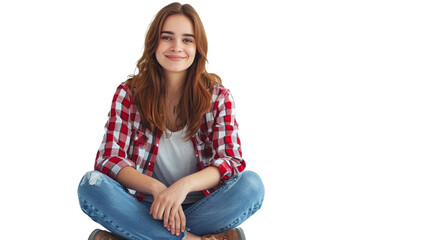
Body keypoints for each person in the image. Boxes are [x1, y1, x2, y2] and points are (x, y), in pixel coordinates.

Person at [77, 2, 264, 240]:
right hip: (145, 208)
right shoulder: (129, 93)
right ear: (154, 42)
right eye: (167, 37)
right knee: (91, 185)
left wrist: (182, 187)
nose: (177, 47)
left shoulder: (218, 97)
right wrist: (158, 189)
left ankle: (135, 235)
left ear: (198, 47)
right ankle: (193, 238)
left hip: (203, 209)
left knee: (251, 186)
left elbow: (230, 161)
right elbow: (108, 160)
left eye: (187, 40)